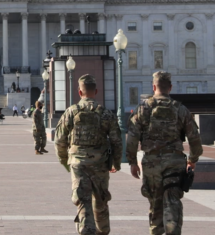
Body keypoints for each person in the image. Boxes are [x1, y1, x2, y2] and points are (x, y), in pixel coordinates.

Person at [126, 71, 203, 235]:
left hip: (151, 164)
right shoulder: (181, 109)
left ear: (154, 87)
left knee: (155, 203)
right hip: (175, 162)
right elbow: (194, 139)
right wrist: (192, 159)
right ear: (170, 87)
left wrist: (132, 162)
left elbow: (132, 138)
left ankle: (156, 231)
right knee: (173, 201)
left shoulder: (143, 109)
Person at [55, 74, 122, 235]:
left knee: (83, 202)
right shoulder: (105, 113)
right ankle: (103, 231)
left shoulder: (71, 112)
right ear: (96, 91)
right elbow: (117, 141)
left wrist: (66, 162)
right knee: (101, 201)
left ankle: (86, 231)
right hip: (100, 164)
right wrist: (116, 163)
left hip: (78, 164)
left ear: (79, 92)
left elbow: (59, 141)